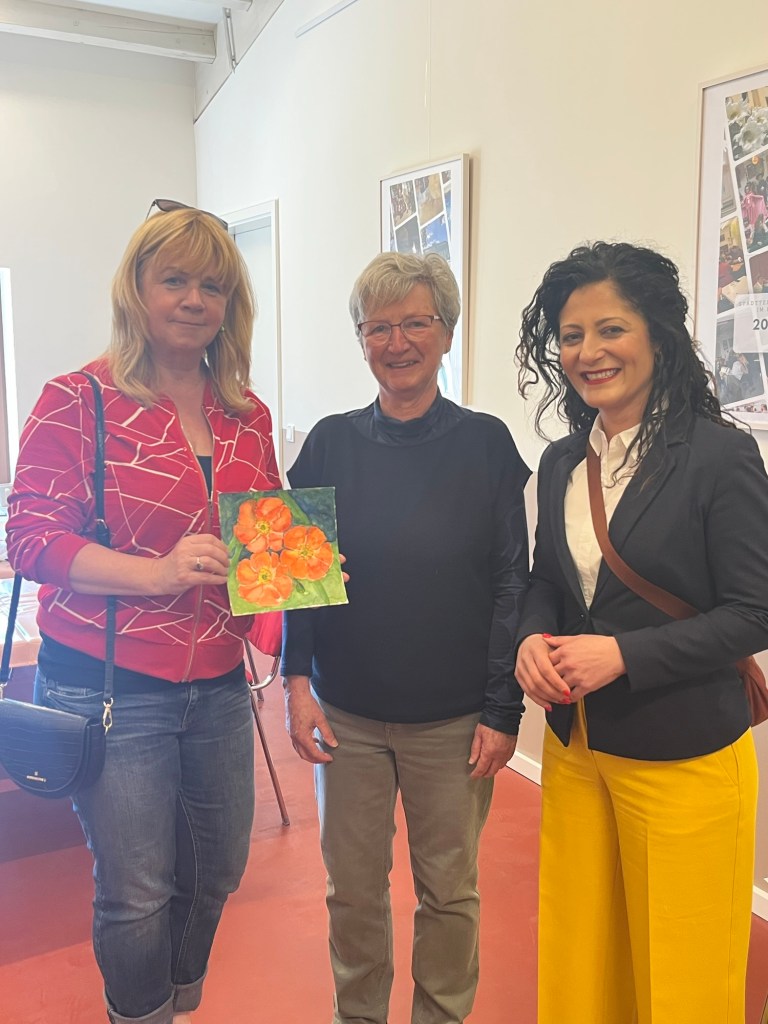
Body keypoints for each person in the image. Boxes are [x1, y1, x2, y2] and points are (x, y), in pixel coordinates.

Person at [6, 201, 281, 1024]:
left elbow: (262, 534)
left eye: (213, 286)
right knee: (136, 890)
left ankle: (177, 1002)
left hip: (220, 682)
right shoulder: (78, 398)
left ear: (230, 305)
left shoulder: (247, 414)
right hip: (109, 685)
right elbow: (30, 539)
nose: (194, 300)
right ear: (136, 289)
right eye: (175, 281)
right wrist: (155, 575)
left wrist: (295, 570)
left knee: (219, 868)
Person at [514, 241, 768, 1024]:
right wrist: (530, 637)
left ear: (658, 335)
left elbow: (754, 611)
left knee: (683, 978)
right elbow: (548, 582)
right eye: (571, 335)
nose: (588, 352)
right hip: (577, 749)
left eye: (610, 329)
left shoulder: (719, 456)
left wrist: (624, 654)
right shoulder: (563, 461)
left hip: (683, 752)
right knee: (581, 958)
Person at [281, 251, 530, 1024]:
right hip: (346, 715)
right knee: (352, 891)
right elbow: (295, 579)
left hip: (454, 721)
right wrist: (296, 684)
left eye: (415, 323)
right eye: (378, 327)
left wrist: (503, 710)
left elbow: (511, 584)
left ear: (446, 333)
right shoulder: (328, 444)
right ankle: (358, 1015)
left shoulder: (487, 445)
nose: (397, 342)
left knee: (448, 893)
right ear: (361, 340)